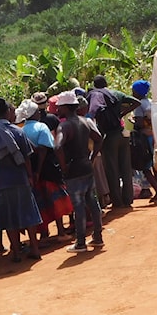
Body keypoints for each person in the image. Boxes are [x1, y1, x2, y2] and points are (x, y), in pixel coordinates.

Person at [0, 97, 42, 262]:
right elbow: (27, 157)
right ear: (8, 112)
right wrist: (30, 176)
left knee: (9, 218)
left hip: (1, 181)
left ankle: (16, 252)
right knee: (28, 214)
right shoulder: (18, 131)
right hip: (20, 178)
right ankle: (35, 249)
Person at [54, 90, 105, 252]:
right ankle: (97, 236)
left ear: (66, 108)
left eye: (60, 108)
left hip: (74, 169)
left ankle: (81, 242)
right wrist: (91, 157)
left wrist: (64, 167)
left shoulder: (64, 126)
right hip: (86, 166)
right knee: (92, 201)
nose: (57, 110)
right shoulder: (86, 121)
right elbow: (99, 139)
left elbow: (57, 146)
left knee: (79, 206)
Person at [17, 98, 73, 242]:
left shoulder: (22, 130)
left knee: (40, 201)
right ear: (33, 113)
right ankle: (61, 231)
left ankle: (44, 233)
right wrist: (39, 171)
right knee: (55, 200)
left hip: (31, 170)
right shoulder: (41, 127)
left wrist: (33, 172)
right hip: (47, 169)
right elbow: (44, 150)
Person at [88, 75, 139, 209]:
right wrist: (122, 114)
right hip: (122, 133)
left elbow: (92, 112)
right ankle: (128, 199)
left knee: (112, 169)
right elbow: (136, 102)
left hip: (109, 136)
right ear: (106, 83)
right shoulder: (116, 93)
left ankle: (117, 201)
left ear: (95, 85)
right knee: (126, 167)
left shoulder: (96, 95)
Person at [130, 79, 157, 204]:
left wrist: (133, 122)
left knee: (145, 166)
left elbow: (139, 124)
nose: (132, 92)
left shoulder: (138, 105)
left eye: (133, 90)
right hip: (154, 136)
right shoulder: (150, 102)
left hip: (144, 137)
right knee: (155, 164)